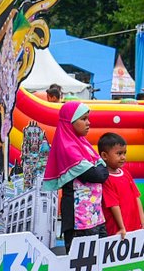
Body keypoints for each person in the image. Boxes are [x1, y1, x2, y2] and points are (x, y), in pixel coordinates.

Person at [41, 101, 107, 248]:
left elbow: (102, 170)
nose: (88, 123)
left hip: (94, 215)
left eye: (88, 118)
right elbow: (99, 175)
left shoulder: (83, 143)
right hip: (79, 219)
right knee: (82, 260)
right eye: (83, 119)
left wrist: (101, 167)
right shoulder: (68, 148)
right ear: (69, 122)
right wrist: (100, 167)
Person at [98, 133, 144, 236]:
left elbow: (136, 198)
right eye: (119, 154)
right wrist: (121, 227)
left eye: (124, 153)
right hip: (118, 230)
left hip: (134, 226)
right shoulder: (106, 178)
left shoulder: (126, 173)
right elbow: (113, 205)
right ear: (104, 156)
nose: (123, 157)